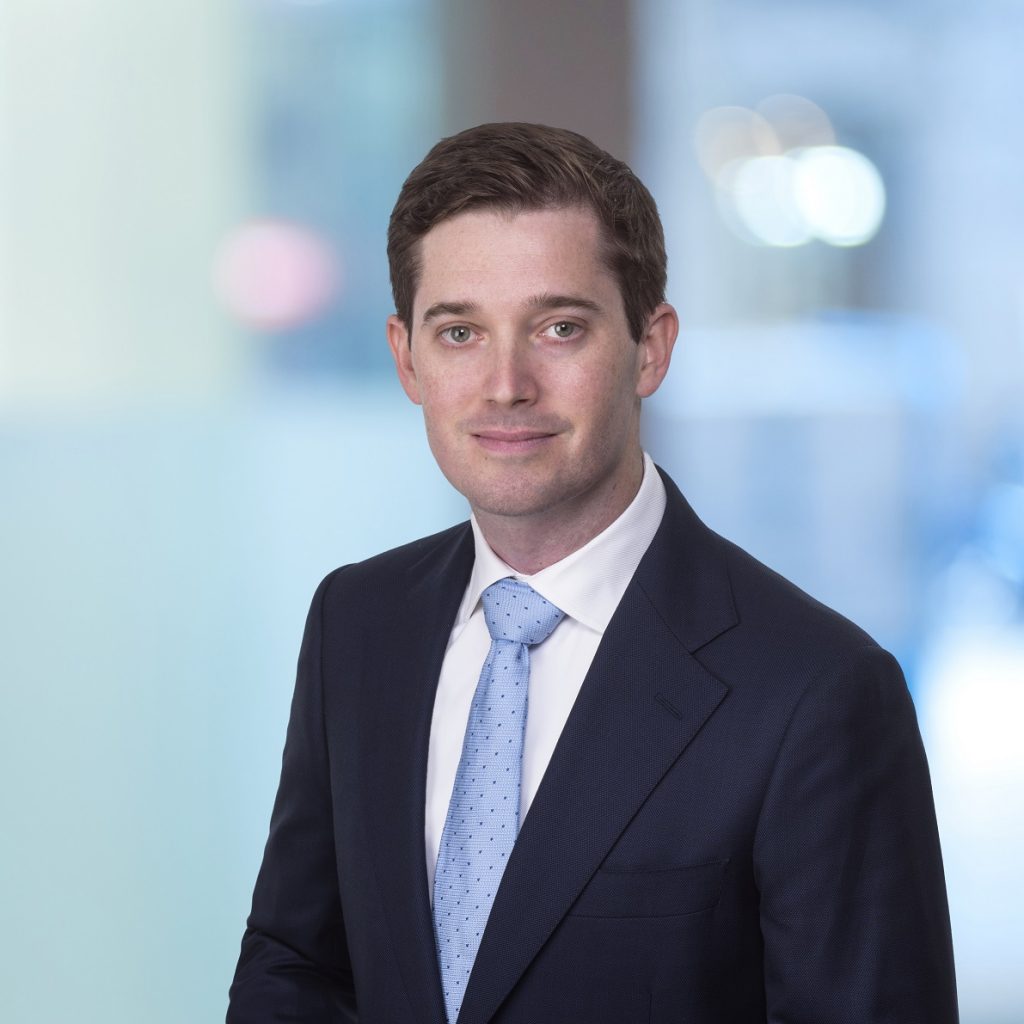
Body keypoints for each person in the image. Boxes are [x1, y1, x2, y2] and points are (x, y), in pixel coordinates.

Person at [227, 123, 958, 1024]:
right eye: (459, 331)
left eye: (559, 327)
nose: (506, 383)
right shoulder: (357, 621)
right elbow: (295, 961)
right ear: (405, 356)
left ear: (650, 348)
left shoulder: (819, 692)